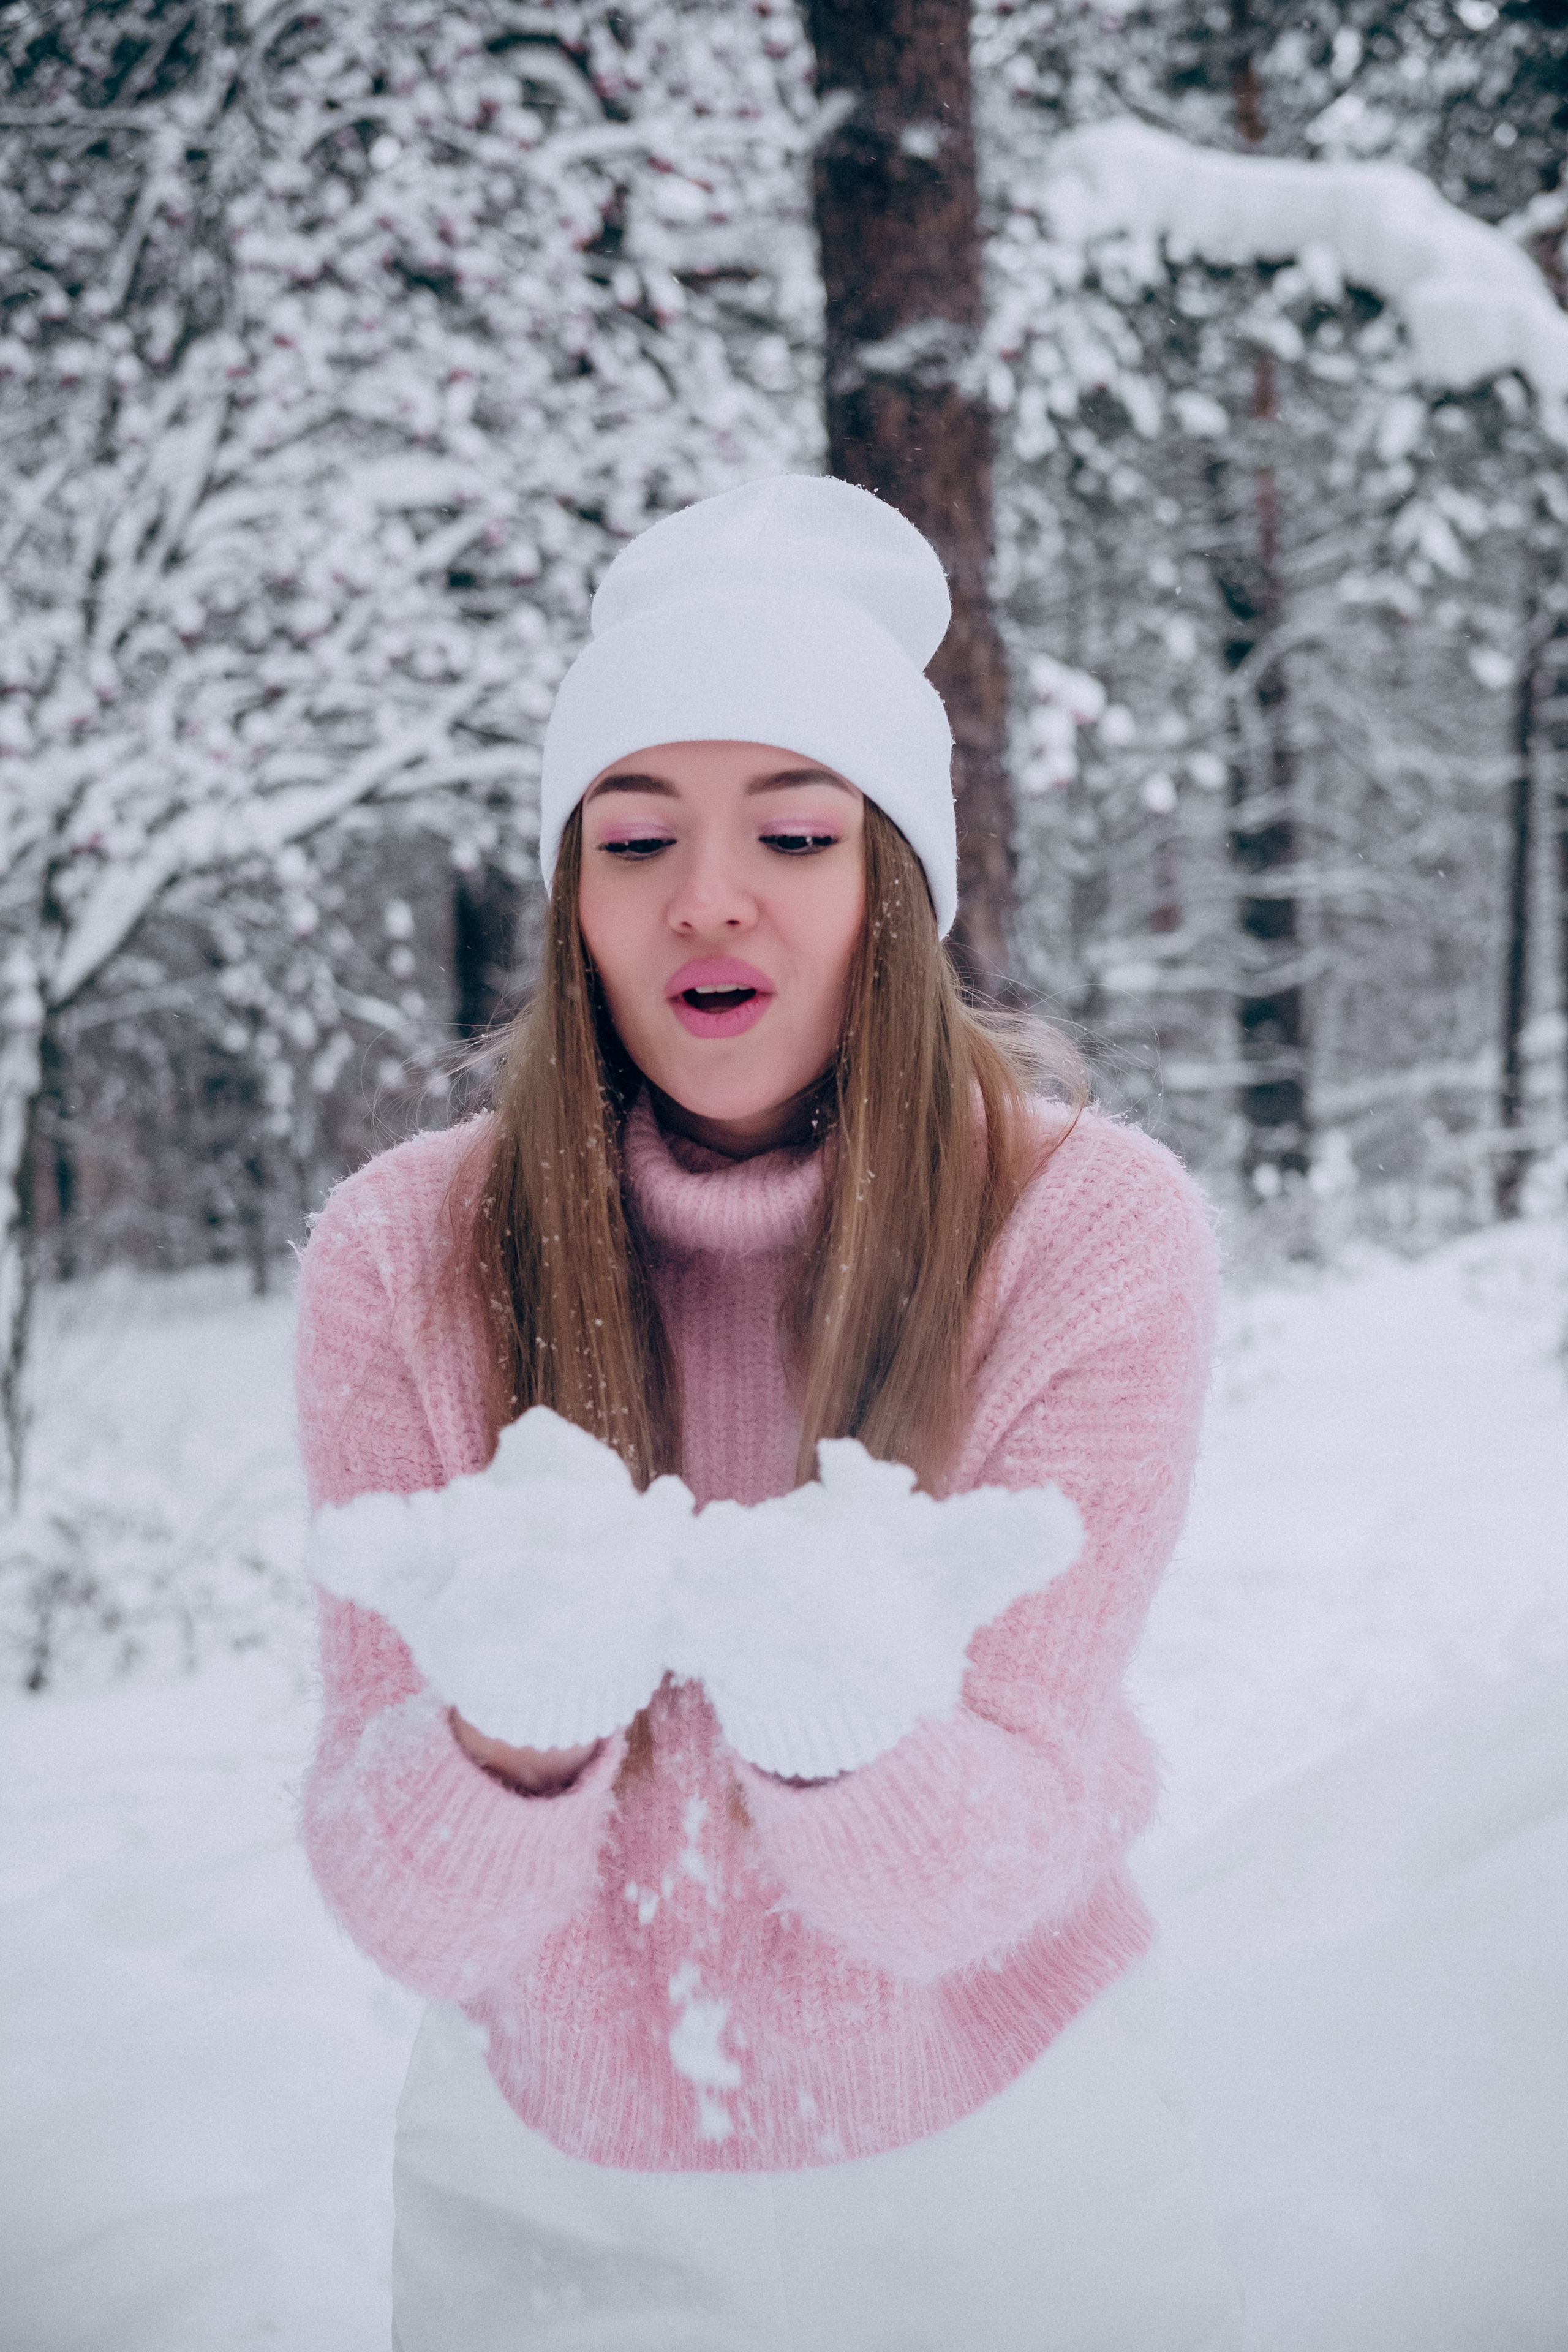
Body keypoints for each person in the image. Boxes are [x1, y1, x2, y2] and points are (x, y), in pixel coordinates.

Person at [296, 475, 1242, 2350]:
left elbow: (990, 1864)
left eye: (795, 834)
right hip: (546, 2183)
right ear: (575, 891)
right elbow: (404, 1907)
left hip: (1012, 2155)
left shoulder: (1081, 1231)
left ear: (893, 885)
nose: (707, 896)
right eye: (634, 838)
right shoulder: (404, 1252)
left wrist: (840, 1729)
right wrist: (509, 1729)